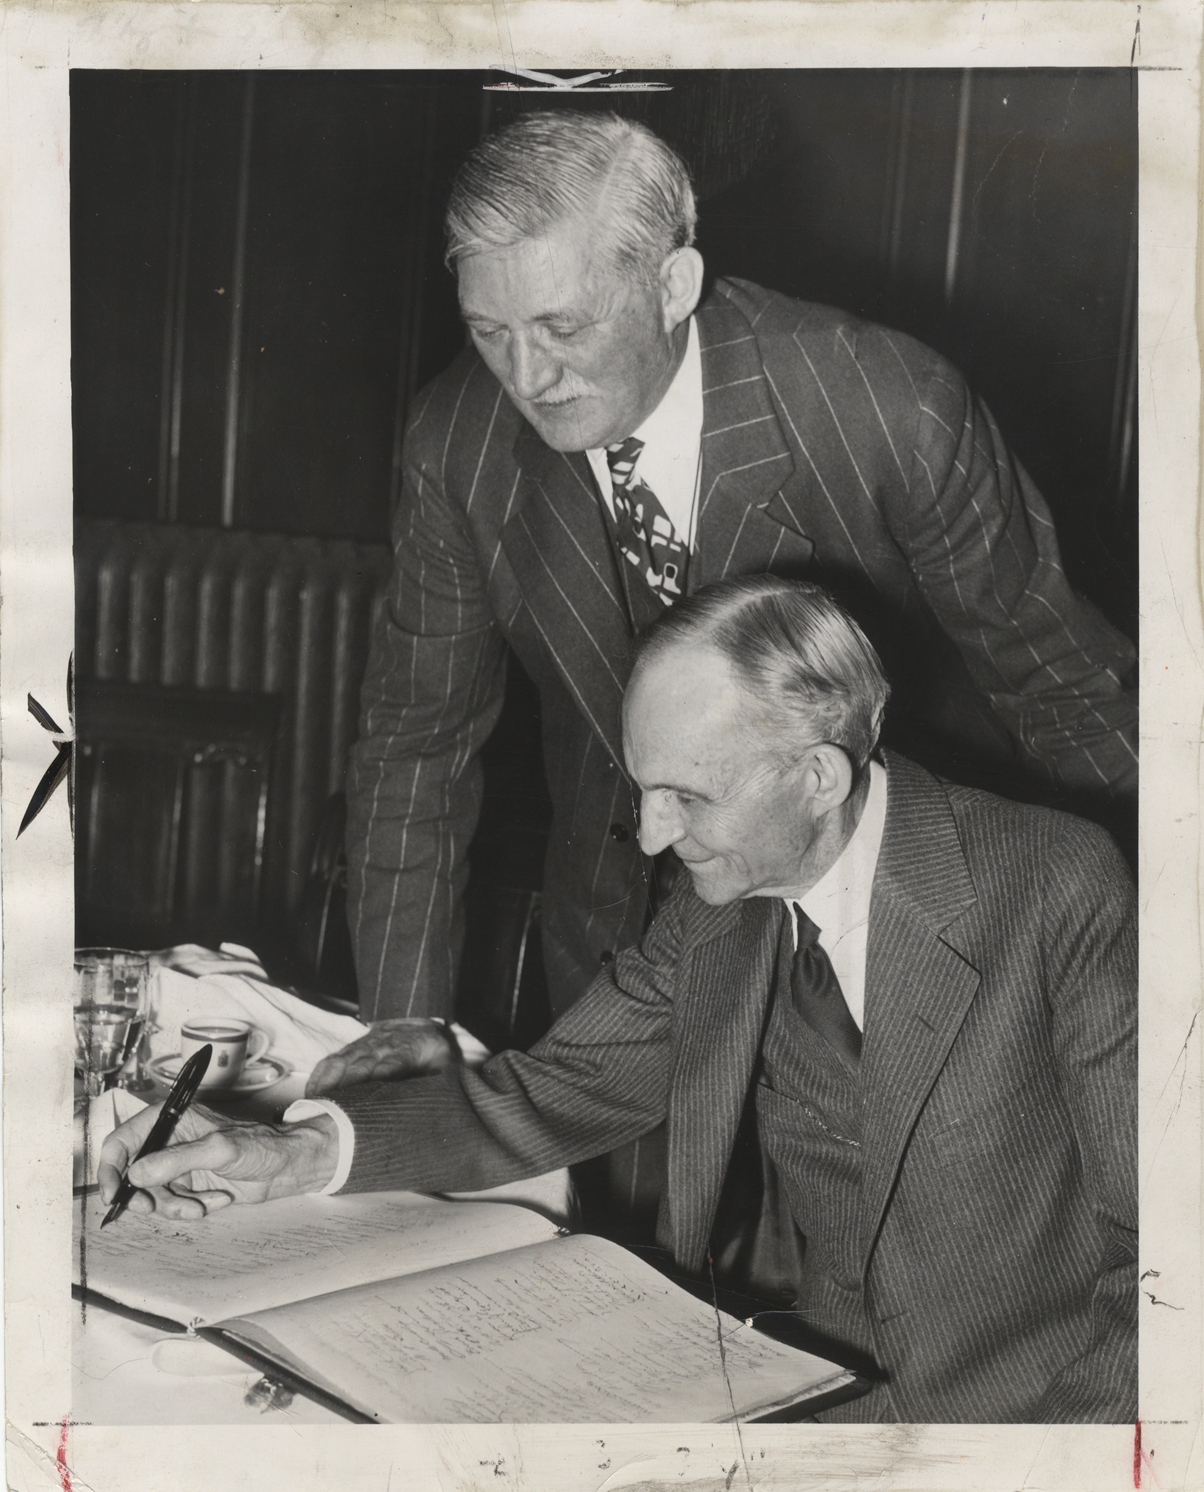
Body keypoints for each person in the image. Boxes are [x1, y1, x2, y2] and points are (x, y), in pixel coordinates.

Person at [100, 576, 1137, 1424]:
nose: (648, 836)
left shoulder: (1050, 886)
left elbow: (1167, 1266)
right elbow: (556, 1090)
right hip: (809, 1397)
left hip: (1033, 1420)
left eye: (687, 796)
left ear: (819, 775)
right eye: (642, 787)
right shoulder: (720, 907)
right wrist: (289, 1153)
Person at [346, 109, 1137, 1033]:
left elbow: (1069, 695)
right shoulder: (458, 444)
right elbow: (416, 750)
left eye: (564, 327)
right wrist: (400, 1036)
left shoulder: (884, 408)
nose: (527, 377)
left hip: (905, 947)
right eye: (489, 331)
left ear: (673, 284)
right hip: (625, 959)